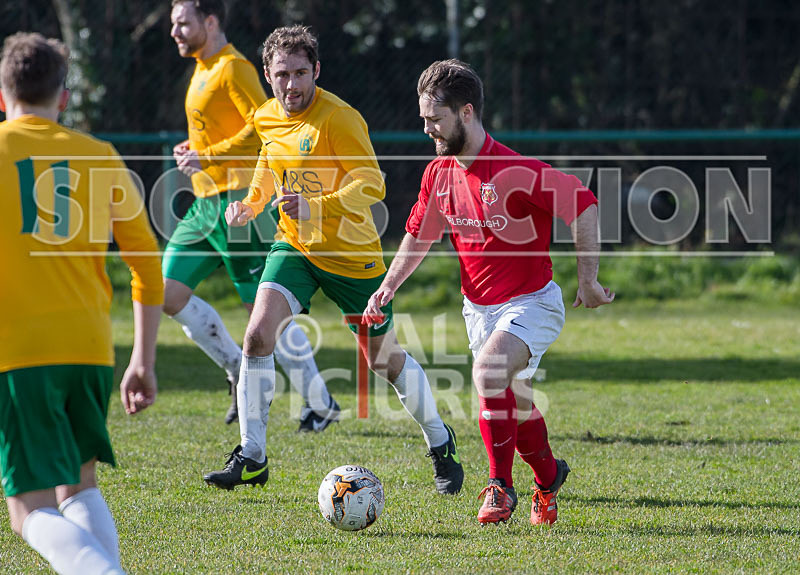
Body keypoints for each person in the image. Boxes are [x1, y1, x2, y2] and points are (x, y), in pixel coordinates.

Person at [204, 25, 464, 494]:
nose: (291, 85)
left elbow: (373, 184)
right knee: (257, 336)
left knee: (384, 361)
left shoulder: (339, 118)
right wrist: (252, 203)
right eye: (282, 74)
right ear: (267, 75)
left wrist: (316, 205)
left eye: (301, 73)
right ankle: (252, 456)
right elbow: (269, 161)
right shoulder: (266, 116)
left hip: (351, 257)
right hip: (295, 249)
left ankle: (440, 441)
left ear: (317, 71)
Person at [363, 59, 615, 525]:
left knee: (487, 372)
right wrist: (388, 286)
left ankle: (500, 487)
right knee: (516, 406)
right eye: (423, 119)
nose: (427, 130)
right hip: (478, 310)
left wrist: (588, 279)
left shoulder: (515, 170)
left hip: (532, 303)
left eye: (435, 119)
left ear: (467, 112)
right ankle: (549, 478)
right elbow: (419, 235)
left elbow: (583, 204)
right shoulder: (438, 174)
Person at [0, 33, 163, 574]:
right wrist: (143, 359)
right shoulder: (99, 155)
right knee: (78, 485)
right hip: (89, 348)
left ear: (3, 95)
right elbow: (146, 264)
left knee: (27, 510)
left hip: (19, 351)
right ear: (63, 98)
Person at [166, 0, 338, 430]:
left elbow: (261, 127)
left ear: (210, 22)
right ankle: (234, 369)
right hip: (206, 204)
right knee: (165, 291)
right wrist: (196, 150)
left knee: (261, 308)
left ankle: (319, 401)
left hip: (239, 200)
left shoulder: (234, 68)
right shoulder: (202, 68)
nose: (175, 32)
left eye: (183, 23)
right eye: (174, 24)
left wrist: (208, 154)